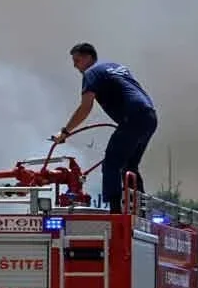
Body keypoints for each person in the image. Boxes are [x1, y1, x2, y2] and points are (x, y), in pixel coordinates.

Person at [52, 42, 158, 213]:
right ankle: (140, 210)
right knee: (130, 165)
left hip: (133, 118)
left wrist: (65, 132)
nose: (75, 66)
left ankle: (115, 211)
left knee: (111, 164)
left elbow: (85, 107)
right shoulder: (116, 67)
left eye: (77, 61)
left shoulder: (91, 73)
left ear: (88, 58)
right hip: (150, 117)